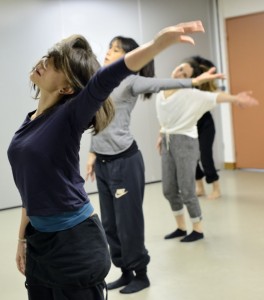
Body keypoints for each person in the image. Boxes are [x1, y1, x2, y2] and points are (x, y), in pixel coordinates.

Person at [7, 21, 206, 300]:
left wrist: (158, 44)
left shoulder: (69, 116)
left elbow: (104, 80)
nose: (43, 63)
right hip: (40, 242)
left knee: (126, 223)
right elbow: (30, 188)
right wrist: (22, 238)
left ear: (66, 88)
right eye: (46, 58)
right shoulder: (30, 121)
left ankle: (137, 269)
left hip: (74, 244)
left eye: (54, 64)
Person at [85, 36, 223, 294]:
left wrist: (193, 82)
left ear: (130, 57)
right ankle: (124, 271)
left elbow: (160, 83)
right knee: (109, 225)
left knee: (128, 223)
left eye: (116, 50)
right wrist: (92, 154)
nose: (108, 52)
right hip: (103, 163)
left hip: (124, 162)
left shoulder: (131, 80)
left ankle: (141, 274)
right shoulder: (100, 80)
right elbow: (98, 121)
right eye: (109, 47)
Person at [156, 56, 258, 243]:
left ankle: (197, 228)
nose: (179, 73)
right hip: (168, 141)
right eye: (179, 68)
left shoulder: (191, 94)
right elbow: (166, 116)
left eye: (185, 73)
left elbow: (214, 97)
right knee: (169, 189)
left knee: (187, 190)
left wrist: (235, 98)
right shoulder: (162, 89)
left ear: (192, 79)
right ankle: (180, 227)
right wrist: (160, 135)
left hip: (185, 142)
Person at [192, 56, 221, 200]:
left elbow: (215, 98)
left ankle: (216, 187)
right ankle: (200, 187)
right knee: (191, 157)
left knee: (205, 156)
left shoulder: (209, 89)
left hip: (206, 125)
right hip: (190, 124)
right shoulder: (189, 85)